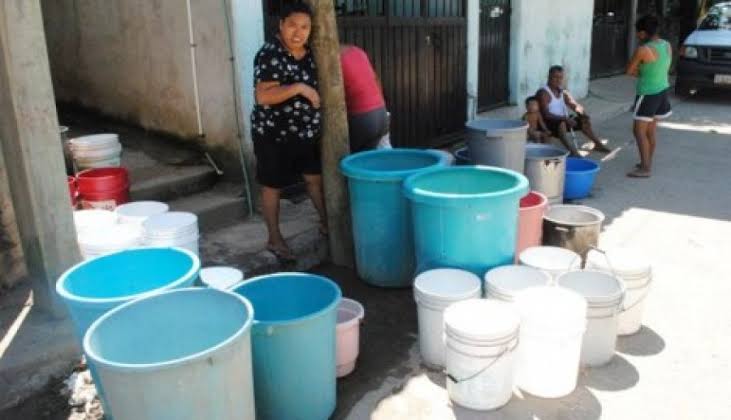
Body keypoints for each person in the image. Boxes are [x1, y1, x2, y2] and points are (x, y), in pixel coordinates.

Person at [250, 2, 327, 261]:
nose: (298, 32)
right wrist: (299, 88)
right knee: (273, 186)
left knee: (314, 180)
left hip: (305, 134)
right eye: (292, 25)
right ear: (281, 25)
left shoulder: (311, 54)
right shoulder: (270, 53)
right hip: (273, 134)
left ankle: (328, 224)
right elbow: (263, 96)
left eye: (305, 27)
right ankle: (274, 238)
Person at [626, 15, 672, 178]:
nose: (637, 35)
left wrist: (643, 72)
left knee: (639, 131)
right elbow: (663, 67)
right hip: (663, 92)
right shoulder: (667, 45)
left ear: (644, 33)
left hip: (647, 94)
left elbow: (629, 70)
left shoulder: (643, 50)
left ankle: (645, 168)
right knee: (651, 132)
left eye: (638, 32)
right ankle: (647, 162)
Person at [537, 66, 612, 156]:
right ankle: (573, 152)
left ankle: (597, 144)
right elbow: (546, 114)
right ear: (549, 77)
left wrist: (581, 112)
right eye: (555, 77)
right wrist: (565, 119)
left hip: (563, 120)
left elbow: (574, 104)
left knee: (584, 120)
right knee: (562, 123)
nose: (558, 80)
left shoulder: (563, 92)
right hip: (548, 123)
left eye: (560, 78)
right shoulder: (543, 93)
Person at [339, 44, 390, 152]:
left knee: (350, 162)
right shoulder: (357, 51)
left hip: (362, 118)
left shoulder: (331, 58)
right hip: (381, 112)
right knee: (369, 160)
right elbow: (376, 79)